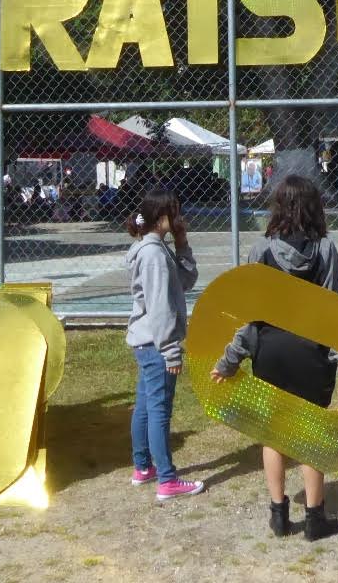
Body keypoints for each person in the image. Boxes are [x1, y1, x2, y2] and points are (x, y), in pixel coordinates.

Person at [210, 175, 338, 541]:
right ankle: (315, 519)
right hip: (311, 353)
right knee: (311, 432)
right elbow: (336, 311)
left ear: (278, 207)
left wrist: (230, 359)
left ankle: (279, 515)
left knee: (273, 433)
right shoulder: (325, 250)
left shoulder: (261, 250)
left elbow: (250, 317)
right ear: (315, 207)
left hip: (271, 352)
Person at [124, 188, 205, 501]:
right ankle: (167, 480)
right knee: (159, 410)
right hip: (156, 344)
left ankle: (143, 467)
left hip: (147, 343)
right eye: (175, 212)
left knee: (145, 405)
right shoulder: (154, 255)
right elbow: (159, 307)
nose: (180, 217)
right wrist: (171, 350)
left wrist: (182, 243)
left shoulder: (156, 248)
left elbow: (186, 281)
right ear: (161, 217)